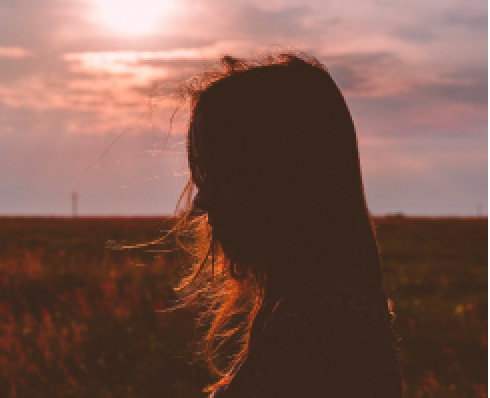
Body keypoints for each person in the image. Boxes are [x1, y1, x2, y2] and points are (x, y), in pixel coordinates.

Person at [175, 52, 402, 397]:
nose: (200, 201)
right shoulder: (314, 311)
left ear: (284, 176)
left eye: (223, 171)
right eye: (202, 171)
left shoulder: (327, 324)